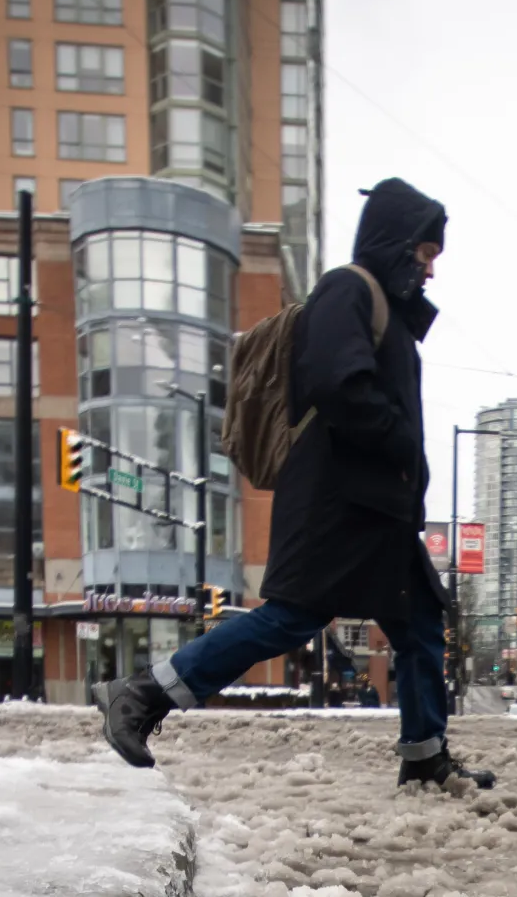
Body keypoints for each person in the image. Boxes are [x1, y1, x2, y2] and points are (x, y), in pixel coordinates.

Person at [94, 178, 493, 791]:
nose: (430, 268)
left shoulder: (386, 313)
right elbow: (336, 384)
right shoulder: (348, 291)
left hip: (378, 509)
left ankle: (423, 754)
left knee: (418, 625)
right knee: (289, 619)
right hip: (339, 503)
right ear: (397, 242)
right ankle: (143, 693)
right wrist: (396, 439)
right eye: (425, 251)